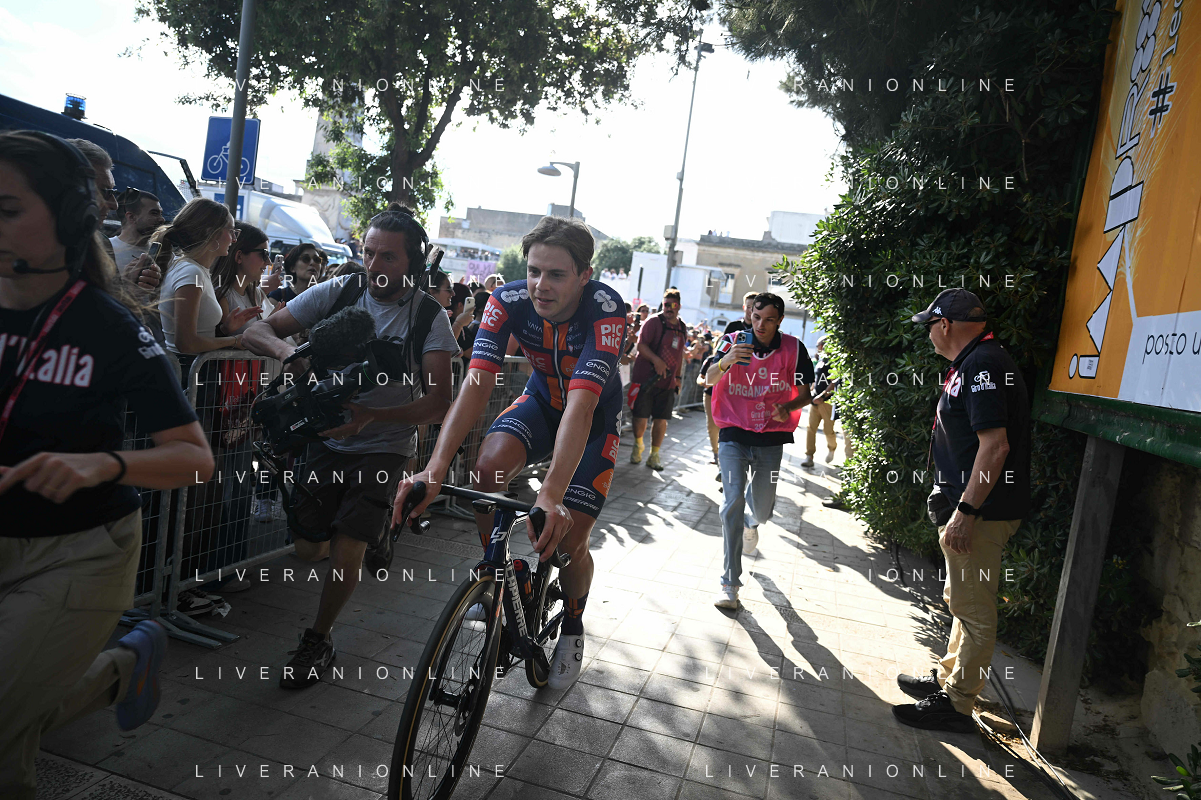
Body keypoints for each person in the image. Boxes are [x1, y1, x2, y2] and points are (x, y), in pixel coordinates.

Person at [0, 131, 213, 798]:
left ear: (68, 219)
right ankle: (124, 669)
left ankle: (116, 666)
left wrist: (103, 466)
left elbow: (195, 459)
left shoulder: (107, 327)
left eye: (7, 209)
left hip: (78, 554)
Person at [393, 215, 627, 691]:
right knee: (486, 468)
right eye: (534, 271)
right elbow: (476, 385)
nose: (541, 285)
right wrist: (434, 469)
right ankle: (494, 572)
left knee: (570, 541)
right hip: (540, 404)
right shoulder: (507, 300)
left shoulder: (605, 309)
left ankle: (574, 624)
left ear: (585, 275)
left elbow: (581, 407)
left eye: (556, 274)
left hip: (592, 420)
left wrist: (551, 495)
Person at [242, 203, 458, 689]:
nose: (374, 265)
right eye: (368, 253)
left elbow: (439, 402)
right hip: (325, 439)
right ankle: (379, 531)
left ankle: (318, 638)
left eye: (388, 257)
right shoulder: (339, 291)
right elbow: (256, 329)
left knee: (347, 547)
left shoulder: (429, 318)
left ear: (413, 262)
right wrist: (290, 353)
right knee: (308, 546)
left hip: (384, 445)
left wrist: (372, 416)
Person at [893, 288, 1030, 734]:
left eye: (929, 326)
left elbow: (996, 447)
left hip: (982, 511)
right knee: (962, 600)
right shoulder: (976, 361)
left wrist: (967, 511)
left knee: (974, 610)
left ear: (945, 325)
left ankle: (956, 704)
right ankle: (948, 679)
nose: (928, 334)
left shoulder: (983, 365)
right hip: (974, 506)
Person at [705, 293, 813, 608]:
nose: (760, 325)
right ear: (749, 314)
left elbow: (806, 394)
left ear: (780, 321)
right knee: (732, 502)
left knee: (762, 511)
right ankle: (729, 584)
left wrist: (787, 407)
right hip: (733, 432)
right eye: (756, 317)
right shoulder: (732, 341)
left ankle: (752, 523)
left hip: (771, 437)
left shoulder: (794, 349)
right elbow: (708, 378)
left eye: (768, 320)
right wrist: (726, 361)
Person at [151, 198, 259, 361]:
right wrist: (236, 341)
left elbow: (195, 335)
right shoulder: (191, 272)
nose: (234, 239)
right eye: (231, 231)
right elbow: (186, 343)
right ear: (211, 233)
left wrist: (224, 330)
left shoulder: (193, 269)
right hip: (188, 370)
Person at [629, 289, 688, 471]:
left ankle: (654, 454)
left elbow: (679, 354)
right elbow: (641, 346)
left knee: (661, 419)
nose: (669, 308)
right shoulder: (653, 322)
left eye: (673, 305)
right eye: (665, 304)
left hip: (667, 382)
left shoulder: (682, 327)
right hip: (645, 379)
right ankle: (638, 445)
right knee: (640, 416)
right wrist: (657, 361)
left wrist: (677, 377)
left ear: (679, 306)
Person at [802, 336, 840, 467]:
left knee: (828, 430)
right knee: (810, 428)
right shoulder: (820, 360)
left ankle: (832, 448)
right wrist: (811, 392)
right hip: (815, 400)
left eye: (819, 345)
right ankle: (809, 455)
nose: (818, 347)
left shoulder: (833, 362)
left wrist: (823, 396)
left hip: (827, 402)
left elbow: (834, 382)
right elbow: (816, 379)